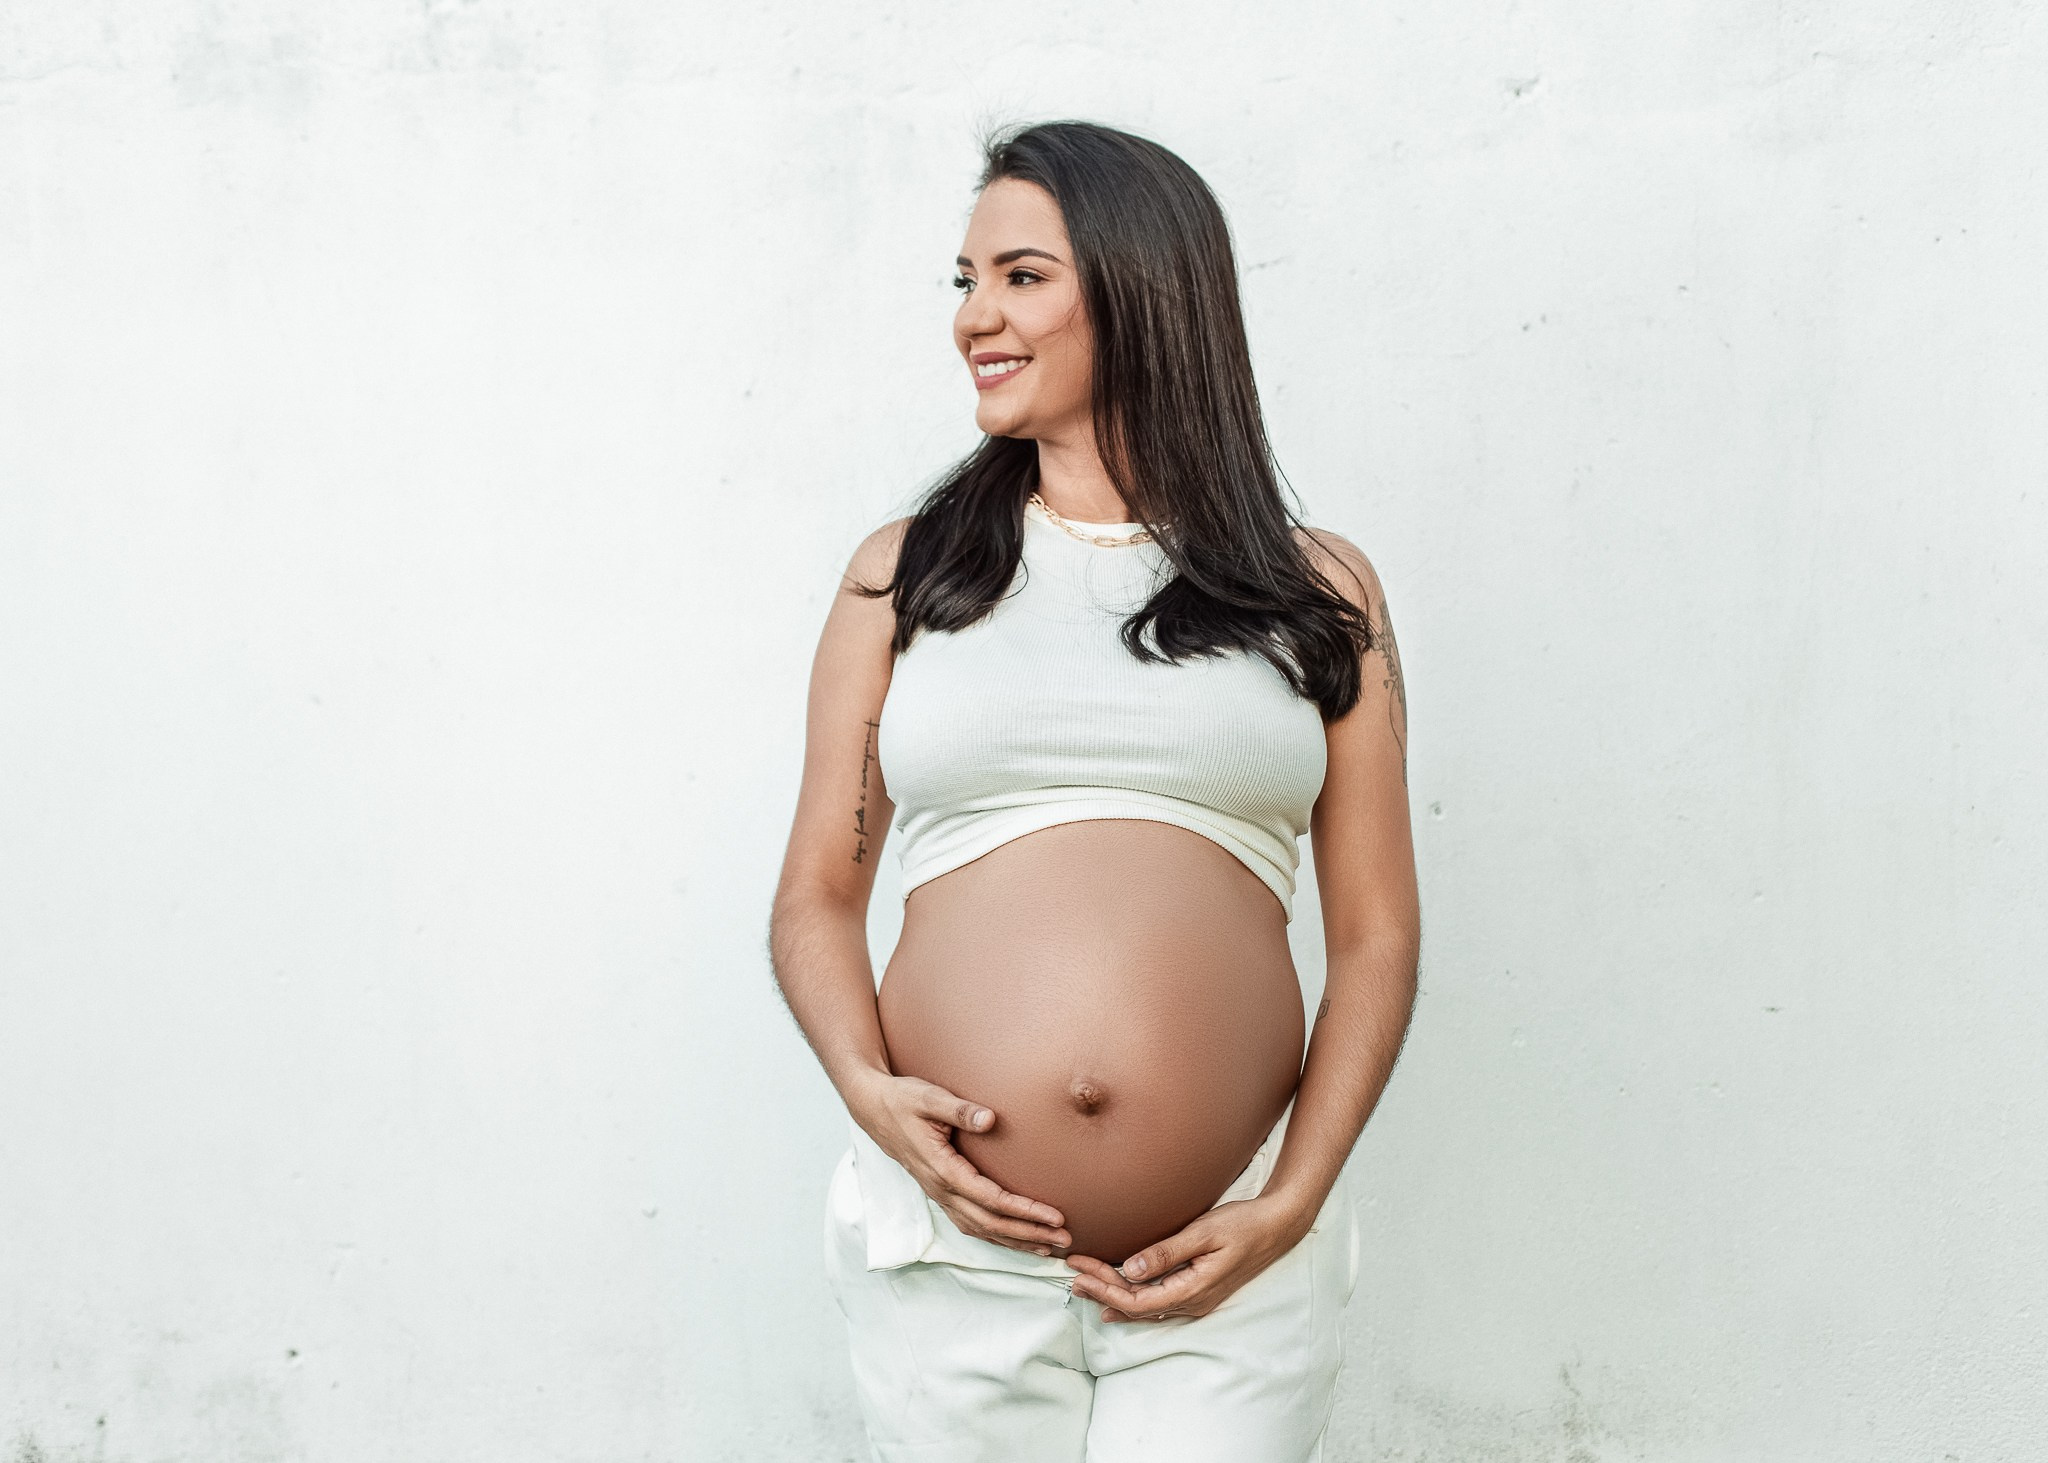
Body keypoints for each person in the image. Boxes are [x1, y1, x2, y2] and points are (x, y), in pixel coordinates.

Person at [768, 118, 1421, 1462]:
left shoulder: (1322, 593)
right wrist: (866, 1091)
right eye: (964, 281)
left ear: (1140, 290)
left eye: (1018, 276)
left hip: (1230, 1263)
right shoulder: (904, 580)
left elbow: (1376, 935)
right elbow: (816, 902)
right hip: (950, 1256)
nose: (972, 318)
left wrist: (1294, 1199)